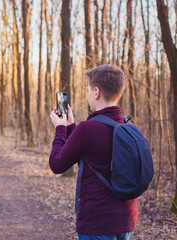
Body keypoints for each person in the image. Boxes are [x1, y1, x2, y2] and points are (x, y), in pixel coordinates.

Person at [49, 64, 138, 240]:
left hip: (97, 223)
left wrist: (60, 129)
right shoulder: (128, 127)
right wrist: (71, 126)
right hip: (127, 221)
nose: (88, 94)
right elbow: (91, 153)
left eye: (88, 90)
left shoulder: (88, 129)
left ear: (96, 92)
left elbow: (57, 164)